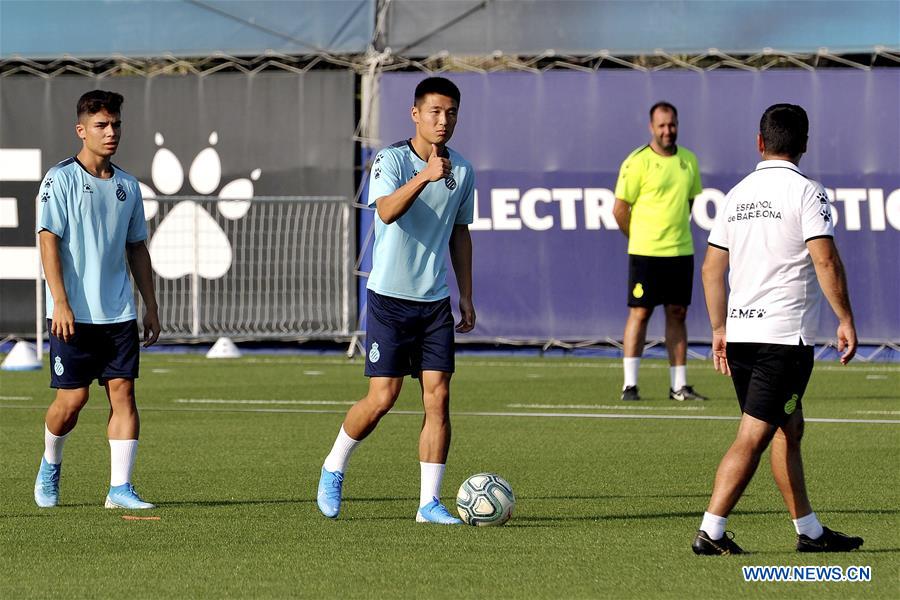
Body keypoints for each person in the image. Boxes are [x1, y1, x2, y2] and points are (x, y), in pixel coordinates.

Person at [692, 103, 863, 555]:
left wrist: (717, 327)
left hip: (744, 334)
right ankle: (710, 531)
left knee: (790, 427)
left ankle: (809, 531)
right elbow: (824, 258)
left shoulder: (737, 193)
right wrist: (845, 318)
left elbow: (711, 269)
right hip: (783, 340)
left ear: (759, 142)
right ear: (805, 145)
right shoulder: (808, 192)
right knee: (754, 435)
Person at [316, 77, 475, 524]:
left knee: (438, 399)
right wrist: (425, 176)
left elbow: (460, 234)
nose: (443, 121)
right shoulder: (390, 160)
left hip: (435, 302)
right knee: (382, 398)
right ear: (415, 114)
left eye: (452, 113)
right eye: (435, 112)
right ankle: (333, 466)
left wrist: (467, 294)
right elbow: (385, 211)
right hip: (389, 299)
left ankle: (429, 503)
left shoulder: (462, 170)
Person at [34, 90, 161, 510]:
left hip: (119, 314)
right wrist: (61, 301)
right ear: (81, 130)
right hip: (72, 315)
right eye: (102, 126)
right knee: (72, 402)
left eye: (116, 125)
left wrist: (151, 305)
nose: (111, 133)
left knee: (123, 394)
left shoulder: (128, 185)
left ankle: (119, 489)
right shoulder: (60, 178)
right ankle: (50, 462)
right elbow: (48, 241)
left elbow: (137, 248)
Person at [613, 102, 708, 402]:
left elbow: (689, 204)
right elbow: (619, 210)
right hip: (646, 253)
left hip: (680, 251)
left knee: (678, 314)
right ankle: (630, 385)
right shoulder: (636, 162)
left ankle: (679, 386)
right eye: (662, 125)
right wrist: (639, 237)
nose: (668, 131)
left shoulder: (689, 160)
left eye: (672, 125)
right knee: (640, 313)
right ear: (651, 127)